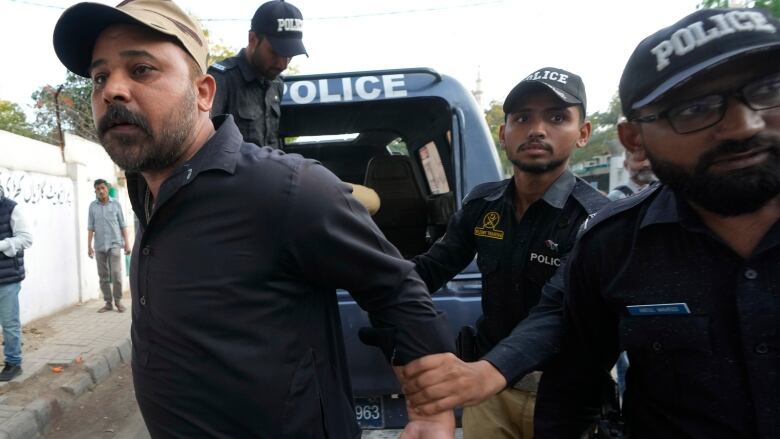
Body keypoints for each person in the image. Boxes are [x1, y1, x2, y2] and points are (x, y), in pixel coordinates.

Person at [52, 1, 454, 437]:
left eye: (142, 69)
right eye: (99, 77)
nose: (112, 89)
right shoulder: (142, 192)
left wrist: (431, 411)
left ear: (204, 93)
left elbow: (395, 287)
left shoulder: (288, 189)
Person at [534, 8, 780, 438]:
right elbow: (570, 395)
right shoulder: (610, 247)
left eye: (769, 89)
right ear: (635, 139)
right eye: (695, 109)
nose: (743, 125)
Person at [407, 67, 609, 438]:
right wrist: (372, 280)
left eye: (557, 117)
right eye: (522, 118)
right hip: (490, 397)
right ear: (503, 134)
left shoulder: (598, 219)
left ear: (583, 134)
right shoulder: (482, 205)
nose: (537, 129)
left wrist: (484, 373)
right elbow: (431, 268)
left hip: (564, 398)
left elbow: (560, 312)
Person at [208, 0, 307, 147]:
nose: (283, 64)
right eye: (275, 53)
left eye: (290, 55)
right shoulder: (221, 79)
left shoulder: (277, 83)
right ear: (252, 39)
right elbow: (203, 146)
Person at [0, 187, 32, 381]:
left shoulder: (11, 208)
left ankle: (14, 362)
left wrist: (1, 244)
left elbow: (26, 239)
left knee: (9, 323)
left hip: (7, 278)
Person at [88, 179, 131, 313]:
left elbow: (123, 225)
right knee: (103, 275)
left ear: (107, 188)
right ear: (95, 191)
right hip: (99, 245)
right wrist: (89, 246)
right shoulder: (92, 206)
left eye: (103, 188)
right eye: (98, 189)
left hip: (115, 244)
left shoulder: (116, 204)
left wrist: (127, 244)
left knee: (116, 274)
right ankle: (108, 302)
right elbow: (90, 227)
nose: (101, 191)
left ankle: (118, 301)